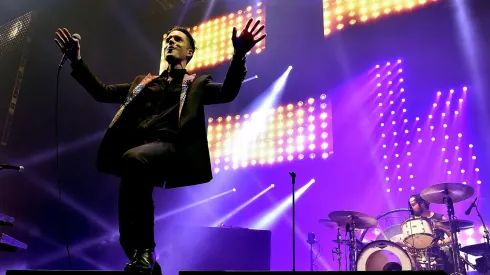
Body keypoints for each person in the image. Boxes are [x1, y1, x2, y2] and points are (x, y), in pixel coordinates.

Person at [54, 18, 266, 274]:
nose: (170, 42)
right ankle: (146, 259)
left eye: (178, 39)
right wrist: (77, 61)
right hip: (141, 153)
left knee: (133, 159)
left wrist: (239, 55)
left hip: (173, 150)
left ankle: (146, 250)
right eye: (168, 39)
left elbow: (228, 93)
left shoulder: (196, 84)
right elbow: (101, 92)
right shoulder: (144, 84)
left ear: (189, 52)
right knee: (128, 209)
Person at [409, 194, 455, 273]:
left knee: (447, 250)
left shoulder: (439, 218)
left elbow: (453, 236)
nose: (411, 207)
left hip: (438, 251)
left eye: (413, 204)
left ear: (422, 204)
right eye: (411, 205)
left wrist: (443, 242)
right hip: (420, 252)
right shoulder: (412, 221)